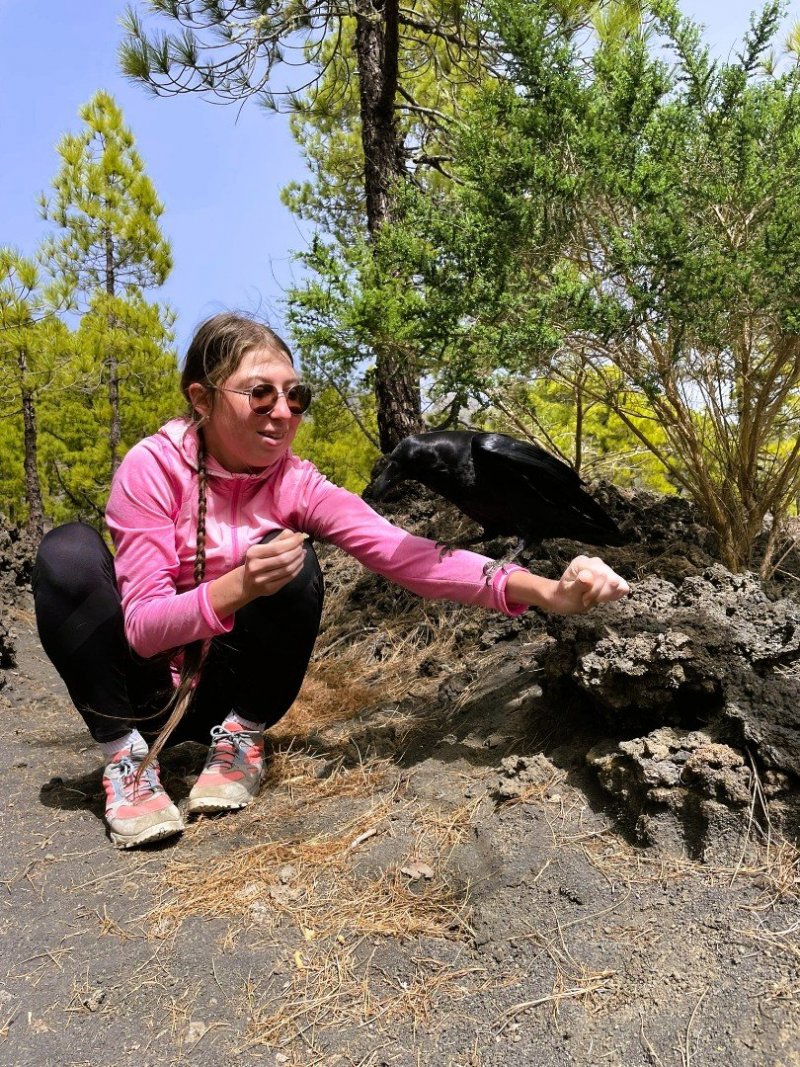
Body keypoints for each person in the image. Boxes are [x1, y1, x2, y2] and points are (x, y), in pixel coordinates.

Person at [33, 313, 630, 850]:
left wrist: (548, 591)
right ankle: (127, 760)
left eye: (296, 396)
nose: (283, 412)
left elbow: (410, 556)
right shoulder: (152, 468)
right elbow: (140, 630)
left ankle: (239, 737)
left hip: (226, 686)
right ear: (202, 398)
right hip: (141, 689)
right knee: (68, 554)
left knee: (291, 563)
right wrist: (237, 586)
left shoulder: (299, 483)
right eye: (259, 394)